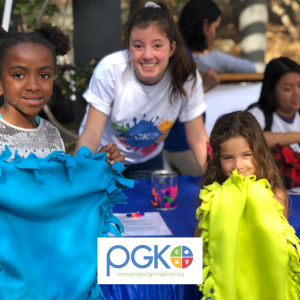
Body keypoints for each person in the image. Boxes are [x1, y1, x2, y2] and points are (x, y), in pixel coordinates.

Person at [77, 1, 209, 180]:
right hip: (105, 158)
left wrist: (215, 179)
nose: (147, 55)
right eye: (138, 45)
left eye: (157, 45)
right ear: (128, 46)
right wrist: (77, 179)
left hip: (148, 162)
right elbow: (91, 135)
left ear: (172, 48)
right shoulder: (110, 69)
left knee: (150, 207)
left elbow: (198, 137)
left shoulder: (186, 75)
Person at [194, 111, 300, 300]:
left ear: (259, 152)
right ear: (217, 158)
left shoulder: (276, 195)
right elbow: (200, 241)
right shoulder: (212, 195)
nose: (238, 165)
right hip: (225, 281)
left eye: (246, 155)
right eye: (228, 158)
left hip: (264, 282)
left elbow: (279, 243)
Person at [0, 25, 123, 163]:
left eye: (44, 75)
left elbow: (57, 182)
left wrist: (95, 167)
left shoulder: (51, 134)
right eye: (18, 75)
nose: (33, 86)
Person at [163, 0, 256, 177]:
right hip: (181, 143)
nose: (213, 34)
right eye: (214, 26)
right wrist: (204, 86)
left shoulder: (182, 57)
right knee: (219, 179)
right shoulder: (185, 59)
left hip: (181, 141)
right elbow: (172, 102)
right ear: (204, 24)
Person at [248, 57, 300, 152]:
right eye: (288, 88)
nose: (296, 93)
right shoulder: (257, 115)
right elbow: (249, 140)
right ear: (271, 90)